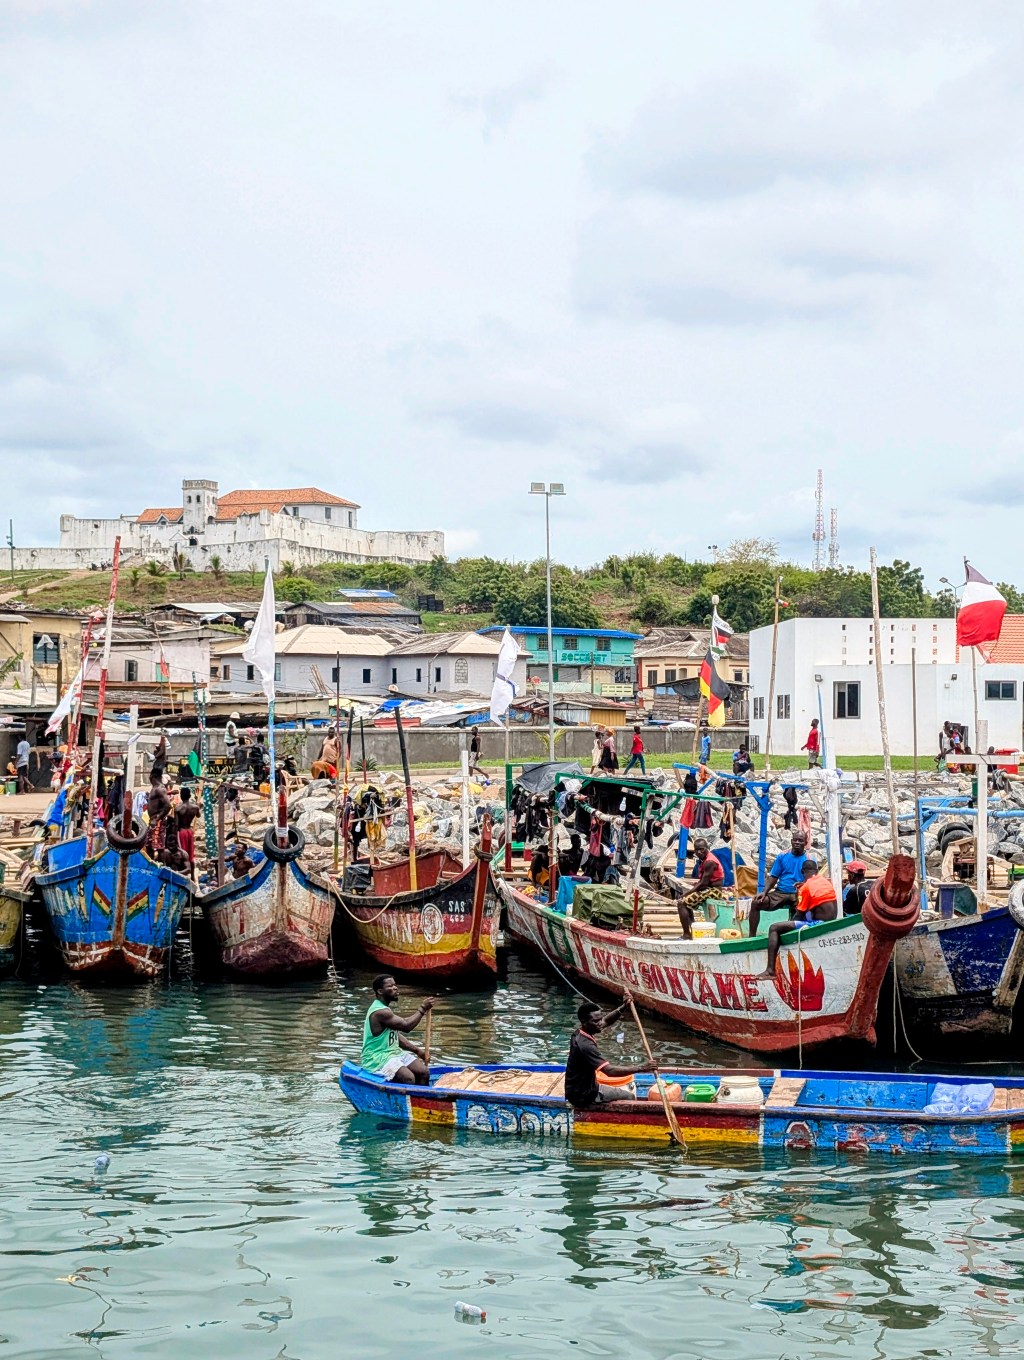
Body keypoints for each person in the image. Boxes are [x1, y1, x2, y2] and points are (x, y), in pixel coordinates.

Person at [757, 858, 838, 978]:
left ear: (802, 872)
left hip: (819, 923)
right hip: (831, 921)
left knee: (774, 928)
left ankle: (770, 971)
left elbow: (799, 915)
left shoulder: (806, 888)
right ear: (817, 871)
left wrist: (788, 927)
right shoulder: (826, 882)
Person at [564, 994, 648, 1109]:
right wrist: (642, 1068)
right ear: (584, 1021)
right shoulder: (585, 1045)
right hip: (583, 1095)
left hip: (580, 1088)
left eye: (600, 1019)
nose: (600, 1023)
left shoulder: (581, 1032)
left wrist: (624, 1006)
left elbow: (606, 1021)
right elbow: (609, 1071)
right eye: (596, 1021)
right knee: (629, 1097)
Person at [360, 975, 434, 1085]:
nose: (395, 988)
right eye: (390, 986)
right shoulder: (380, 1012)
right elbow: (406, 1026)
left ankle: (423, 1096)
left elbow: (394, 1036)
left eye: (395, 985)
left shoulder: (386, 1009)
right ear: (380, 991)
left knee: (424, 1072)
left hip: (394, 1053)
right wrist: (422, 1008)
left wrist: (417, 1051)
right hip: (376, 1058)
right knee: (408, 1078)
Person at [748, 831, 809, 936]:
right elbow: (773, 877)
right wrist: (764, 892)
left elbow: (812, 879)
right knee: (756, 902)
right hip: (781, 892)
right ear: (791, 841)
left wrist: (803, 886)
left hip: (799, 893)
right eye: (795, 840)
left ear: (806, 843)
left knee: (804, 910)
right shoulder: (782, 856)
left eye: (800, 840)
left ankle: (793, 936)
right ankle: (751, 937)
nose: (797, 842)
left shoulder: (809, 858)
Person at [674, 837, 725, 939]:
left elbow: (703, 884)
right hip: (708, 889)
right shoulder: (704, 860)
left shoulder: (709, 862)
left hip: (714, 891)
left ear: (707, 848)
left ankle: (686, 934)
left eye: (702, 849)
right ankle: (693, 929)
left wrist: (686, 894)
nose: (699, 852)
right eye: (696, 850)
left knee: (682, 903)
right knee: (686, 903)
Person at [144, 768, 172, 859]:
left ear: (152, 777)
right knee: (149, 845)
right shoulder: (155, 788)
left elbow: (168, 806)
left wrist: (157, 819)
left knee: (158, 847)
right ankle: (152, 864)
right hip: (153, 820)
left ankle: (160, 864)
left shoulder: (159, 789)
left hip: (157, 821)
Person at [173, 787, 202, 872]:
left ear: (181, 796)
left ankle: (184, 871)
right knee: (191, 853)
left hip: (182, 832)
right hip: (190, 831)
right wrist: (198, 806)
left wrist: (174, 837)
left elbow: (176, 825)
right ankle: (192, 874)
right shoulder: (195, 807)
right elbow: (198, 815)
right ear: (189, 796)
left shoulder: (178, 809)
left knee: (182, 852)